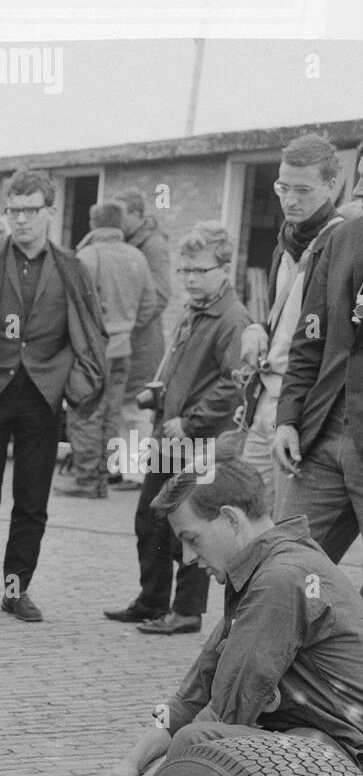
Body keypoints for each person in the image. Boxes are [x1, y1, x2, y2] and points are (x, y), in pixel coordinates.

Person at [88, 461, 363, 776]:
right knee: (195, 742)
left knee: (200, 744)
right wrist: (131, 765)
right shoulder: (265, 568)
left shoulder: (281, 579)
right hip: (317, 746)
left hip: (346, 762)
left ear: (230, 519)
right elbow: (193, 696)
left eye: (192, 539)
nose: (186, 557)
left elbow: (222, 716)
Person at [0, 166, 106, 623]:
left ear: (50, 211)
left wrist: (75, 381)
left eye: (31, 211)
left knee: (31, 503)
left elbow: (88, 331)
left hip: (42, 399)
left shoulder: (72, 268)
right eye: (14, 210)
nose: (21, 219)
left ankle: (15, 590)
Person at [104, 222, 251, 634]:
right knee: (150, 518)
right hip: (169, 434)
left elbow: (235, 381)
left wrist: (191, 420)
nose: (189, 279)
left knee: (193, 523)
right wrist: (161, 389)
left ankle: (186, 611)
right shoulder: (195, 310)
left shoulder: (232, 318)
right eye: (185, 270)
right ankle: (151, 601)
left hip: (199, 440)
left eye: (199, 270)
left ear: (224, 268)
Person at [239, 135, 345, 512]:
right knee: (242, 513)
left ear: (331, 186)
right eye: (283, 187)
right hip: (266, 397)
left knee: (284, 526)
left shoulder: (340, 244)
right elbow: (282, 318)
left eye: (303, 190)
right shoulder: (285, 242)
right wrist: (256, 327)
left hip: (303, 407)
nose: (290, 200)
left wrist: (299, 414)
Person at [273, 205, 363, 561]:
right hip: (322, 436)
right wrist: (288, 419)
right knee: (281, 565)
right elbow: (309, 339)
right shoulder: (343, 236)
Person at [59, 200, 155, 498]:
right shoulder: (137, 256)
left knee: (86, 413)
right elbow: (148, 305)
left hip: (92, 352)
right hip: (123, 348)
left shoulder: (88, 255)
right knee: (112, 413)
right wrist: (123, 328)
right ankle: (102, 476)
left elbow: (71, 306)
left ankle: (86, 480)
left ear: (93, 223)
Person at [113, 188, 173, 487]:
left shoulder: (154, 246)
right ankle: (125, 469)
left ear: (137, 215)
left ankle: (136, 475)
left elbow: (161, 294)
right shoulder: (131, 242)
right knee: (123, 406)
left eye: (122, 215)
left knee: (136, 408)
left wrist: (128, 322)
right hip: (128, 339)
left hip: (142, 340)